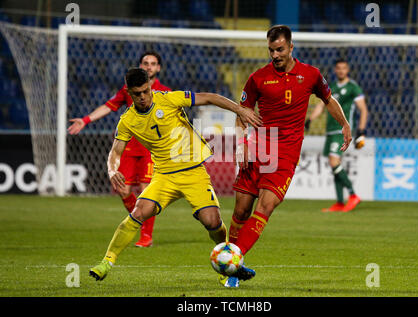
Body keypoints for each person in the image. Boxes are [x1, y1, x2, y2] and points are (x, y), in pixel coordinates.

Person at [89, 67, 262, 281]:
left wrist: (240, 110)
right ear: (129, 92)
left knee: (212, 221)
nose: (142, 97)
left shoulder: (169, 99)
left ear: (150, 87)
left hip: (193, 173)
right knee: (139, 212)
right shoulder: (128, 120)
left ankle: (230, 264)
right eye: (137, 94)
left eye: (145, 91)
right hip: (164, 177)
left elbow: (208, 97)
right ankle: (107, 261)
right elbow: (116, 151)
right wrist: (112, 169)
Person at [224, 25, 353, 288]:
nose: (275, 54)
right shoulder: (258, 78)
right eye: (271, 50)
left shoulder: (311, 75)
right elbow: (242, 113)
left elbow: (328, 99)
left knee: (266, 206)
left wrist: (345, 124)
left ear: (291, 47)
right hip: (258, 149)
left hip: (285, 155)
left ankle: (232, 263)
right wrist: (241, 145)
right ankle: (230, 261)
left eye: (280, 49)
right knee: (241, 210)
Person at [68, 51, 171, 247]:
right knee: (122, 189)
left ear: (158, 68)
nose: (149, 66)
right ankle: (139, 221)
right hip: (128, 148)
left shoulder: (165, 92)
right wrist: (85, 120)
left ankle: (146, 236)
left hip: (152, 150)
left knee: (146, 191)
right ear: (140, 66)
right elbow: (108, 106)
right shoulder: (128, 90)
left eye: (153, 63)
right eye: (145, 63)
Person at [305, 58, 368, 212]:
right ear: (335, 70)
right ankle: (340, 202)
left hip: (342, 130)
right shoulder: (331, 86)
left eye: (344, 68)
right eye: (338, 68)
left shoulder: (353, 88)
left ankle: (353, 195)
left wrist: (361, 130)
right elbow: (321, 105)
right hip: (330, 131)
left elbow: (364, 110)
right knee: (335, 164)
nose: (341, 71)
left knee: (334, 162)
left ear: (348, 70)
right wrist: (310, 120)